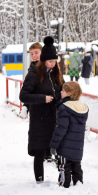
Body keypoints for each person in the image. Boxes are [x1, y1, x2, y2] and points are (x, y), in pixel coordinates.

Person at [19, 36, 63, 183]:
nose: (53, 64)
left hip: (54, 119)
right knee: (39, 152)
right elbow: (24, 95)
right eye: (50, 61)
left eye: (55, 61)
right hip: (39, 120)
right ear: (44, 61)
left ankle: (62, 178)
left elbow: (61, 92)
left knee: (58, 149)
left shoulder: (56, 74)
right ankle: (39, 182)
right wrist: (42, 98)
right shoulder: (33, 75)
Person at [49, 82, 89, 188]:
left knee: (64, 166)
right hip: (78, 145)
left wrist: (53, 145)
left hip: (65, 146)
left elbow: (61, 129)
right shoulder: (83, 107)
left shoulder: (64, 108)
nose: (61, 92)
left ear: (69, 93)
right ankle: (78, 183)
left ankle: (64, 184)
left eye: (63, 90)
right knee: (76, 166)